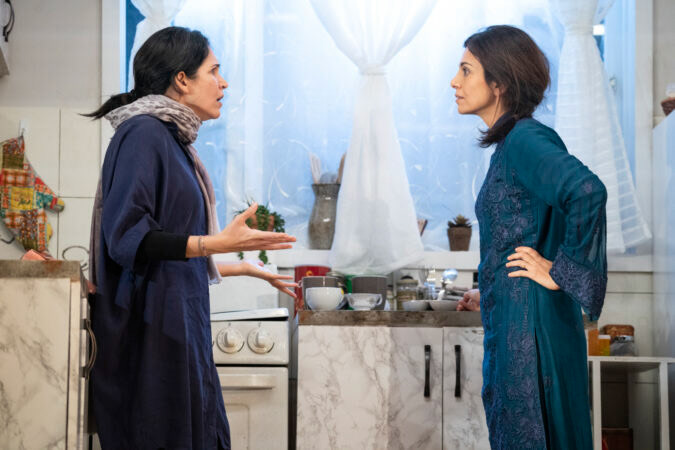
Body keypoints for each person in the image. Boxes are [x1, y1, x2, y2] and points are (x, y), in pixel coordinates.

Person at [85, 27, 297, 449]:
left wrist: (240, 266)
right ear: (182, 79)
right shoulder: (143, 133)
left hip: (175, 329)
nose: (224, 83)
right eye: (214, 71)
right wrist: (216, 244)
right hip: (150, 340)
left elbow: (169, 254)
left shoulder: (171, 140)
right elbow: (128, 237)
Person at [451, 25, 607, 449]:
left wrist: (561, 272)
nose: (454, 82)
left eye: (466, 70)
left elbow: (587, 191)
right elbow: (524, 233)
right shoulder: (511, 145)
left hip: (533, 333)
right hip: (518, 322)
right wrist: (493, 288)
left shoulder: (525, 139)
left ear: (499, 82)